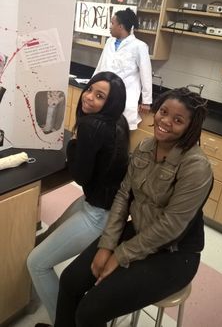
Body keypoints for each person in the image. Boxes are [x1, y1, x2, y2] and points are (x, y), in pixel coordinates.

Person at [50, 87, 213, 327]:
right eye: (164, 112)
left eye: (178, 120)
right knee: (70, 281)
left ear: (190, 127)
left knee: (90, 310)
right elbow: (123, 196)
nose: (165, 121)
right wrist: (107, 245)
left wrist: (120, 254)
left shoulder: (196, 167)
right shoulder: (146, 147)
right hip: (137, 231)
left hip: (174, 254)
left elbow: (171, 227)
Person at [27, 71, 130, 326]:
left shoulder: (91, 126)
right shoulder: (119, 122)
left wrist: (73, 144)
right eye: (90, 90)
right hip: (104, 207)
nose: (89, 98)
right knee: (43, 237)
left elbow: (80, 176)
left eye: (100, 96)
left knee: (36, 263)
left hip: (98, 215)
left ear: (111, 103)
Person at [94, 7, 152, 130]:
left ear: (120, 26)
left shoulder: (139, 46)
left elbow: (146, 74)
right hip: (104, 93)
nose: (110, 26)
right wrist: (91, 85)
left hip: (125, 96)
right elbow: (100, 66)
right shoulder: (109, 42)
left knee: (118, 132)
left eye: (112, 23)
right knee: (99, 127)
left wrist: (146, 101)